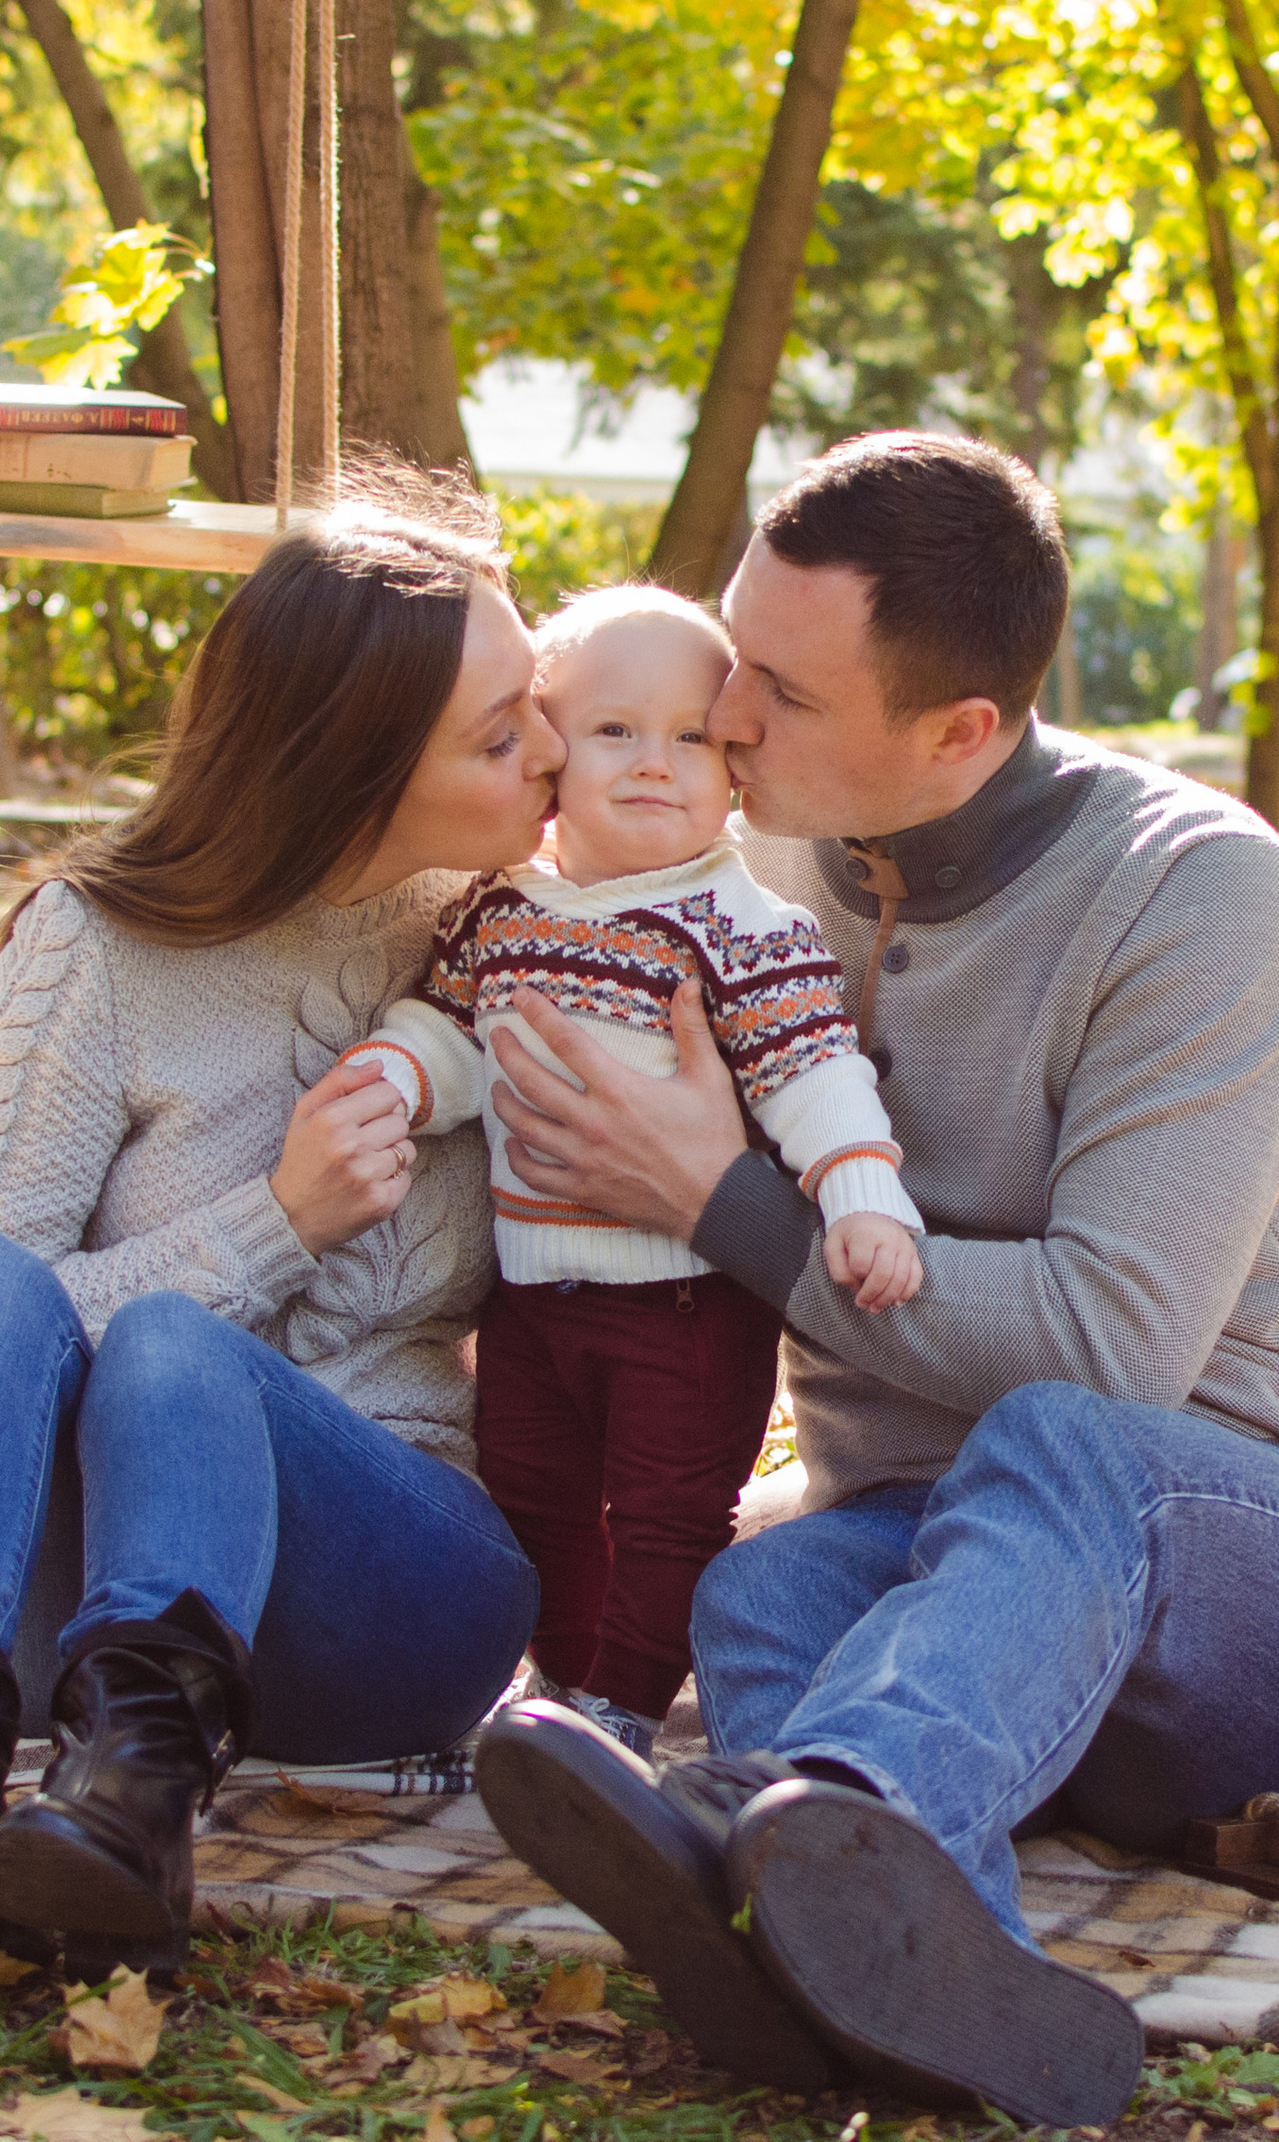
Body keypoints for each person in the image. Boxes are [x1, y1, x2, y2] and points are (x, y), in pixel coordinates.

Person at [474, 435, 1279, 2126]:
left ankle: (807, 1823)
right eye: (735, 653)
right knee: (763, 1592)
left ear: (960, 732)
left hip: (1239, 1583)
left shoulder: (1195, 893)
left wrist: (719, 1201)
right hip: (942, 1585)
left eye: (780, 692)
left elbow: (1113, 1353)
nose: (724, 715)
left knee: (1059, 1437)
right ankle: (865, 1950)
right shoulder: (755, 872)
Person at [0, 480, 557, 1979]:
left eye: (535, 702)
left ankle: (132, 1803)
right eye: (499, 736)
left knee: (174, 1344)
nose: (549, 750)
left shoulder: (518, 935)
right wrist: (274, 1223)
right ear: (353, 773)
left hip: (391, 1595)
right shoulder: (94, 952)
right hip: (76, 1616)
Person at [335, 585, 922, 1760]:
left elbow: (813, 1070)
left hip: (687, 1303)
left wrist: (860, 1189)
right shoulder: (500, 911)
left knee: (666, 1511)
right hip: (529, 1297)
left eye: (691, 736)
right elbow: (456, 1033)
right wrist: (396, 1076)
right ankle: (561, 1677)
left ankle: (627, 1703)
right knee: (530, 1490)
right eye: (614, 730)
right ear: (548, 748)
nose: (655, 762)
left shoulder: (740, 925)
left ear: (733, 766)